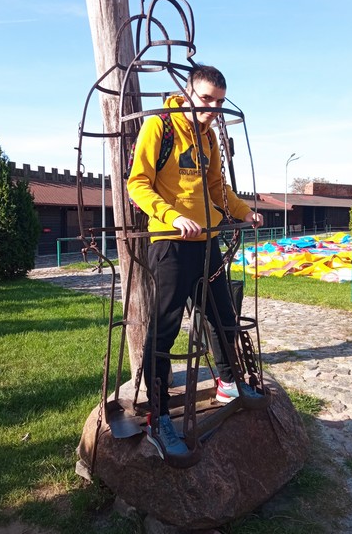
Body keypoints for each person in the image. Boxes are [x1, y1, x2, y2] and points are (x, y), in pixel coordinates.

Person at [127, 64, 264, 461]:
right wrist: (172, 216)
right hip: (171, 242)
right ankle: (158, 416)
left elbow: (217, 188)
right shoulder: (160, 126)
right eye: (206, 99)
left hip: (207, 241)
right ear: (188, 91)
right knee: (165, 329)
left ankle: (227, 382)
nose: (212, 109)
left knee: (222, 316)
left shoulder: (209, 137)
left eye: (219, 102)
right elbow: (138, 183)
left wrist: (244, 211)